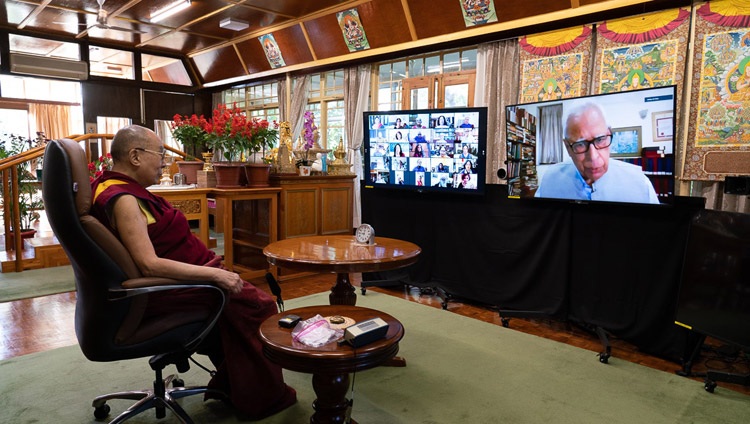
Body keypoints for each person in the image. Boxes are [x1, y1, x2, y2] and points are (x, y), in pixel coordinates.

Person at [89, 125, 297, 420]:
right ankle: (263, 398)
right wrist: (214, 275)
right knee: (259, 306)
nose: (163, 161)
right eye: (159, 153)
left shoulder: (108, 186)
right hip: (166, 292)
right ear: (135, 156)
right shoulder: (124, 200)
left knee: (243, 305)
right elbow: (150, 264)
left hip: (175, 282)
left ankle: (233, 385)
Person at [534, 103, 659, 204]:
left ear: (609, 133)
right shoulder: (549, 180)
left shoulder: (640, 183)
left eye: (600, 140)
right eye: (580, 144)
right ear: (567, 147)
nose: (593, 157)